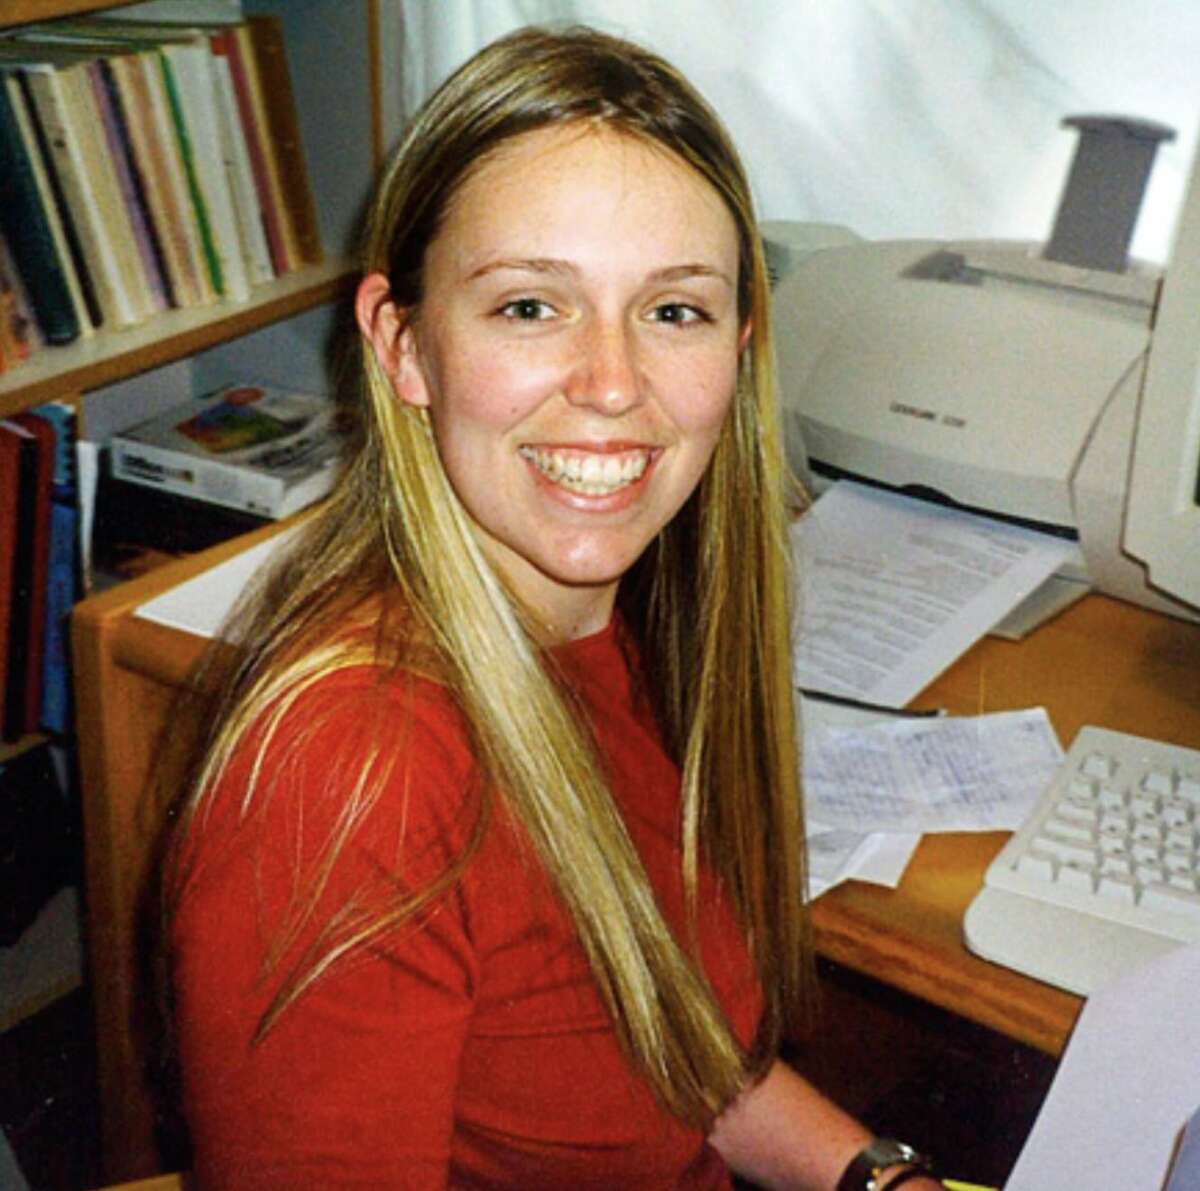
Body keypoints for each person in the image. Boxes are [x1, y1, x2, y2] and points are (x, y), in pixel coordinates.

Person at [166, 24, 945, 1191]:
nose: (614, 383)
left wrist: (877, 1175)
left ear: (740, 346)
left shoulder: (607, 616)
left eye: (671, 311)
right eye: (532, 306)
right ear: (403, 344)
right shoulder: (349, 778)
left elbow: (664, 1036)